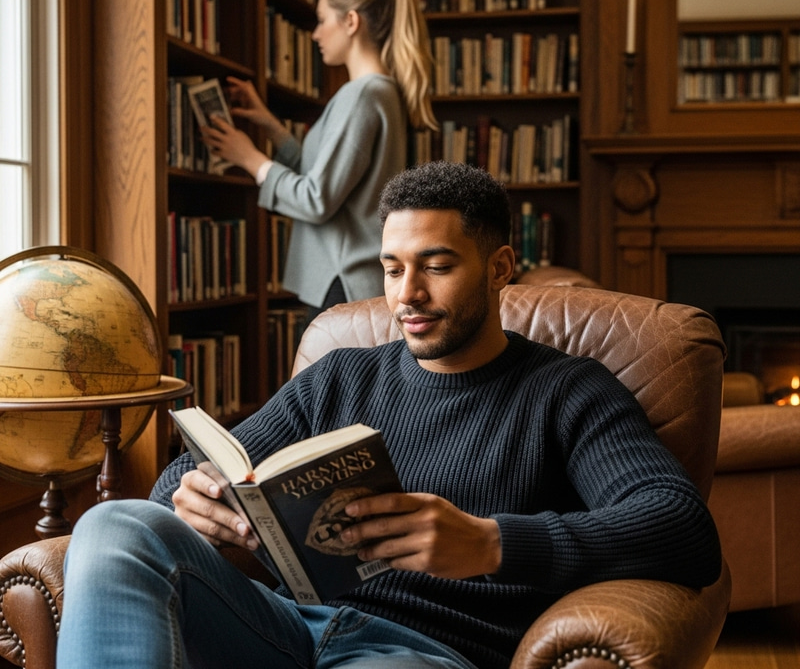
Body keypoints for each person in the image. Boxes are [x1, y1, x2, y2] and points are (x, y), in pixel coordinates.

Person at [57, 162, 722, 669]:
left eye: (436, 266)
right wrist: (191, 500)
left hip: (419, 652)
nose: (408, 294)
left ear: (499, 268)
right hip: (284, 626)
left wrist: (491, 543)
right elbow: (183, 481)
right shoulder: (340, 375)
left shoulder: (569, 392)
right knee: (116, 524)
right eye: (393, 268)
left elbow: (682, 527)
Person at [201, 0, 437, 318]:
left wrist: (250, 159)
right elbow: (330, 177)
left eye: (323, 19)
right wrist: (270, 126)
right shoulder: (384, 92)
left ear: (351, 21)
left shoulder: (362, 95)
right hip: (348, 278)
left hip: (342, 280)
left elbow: (317, 198)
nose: (315, 34)